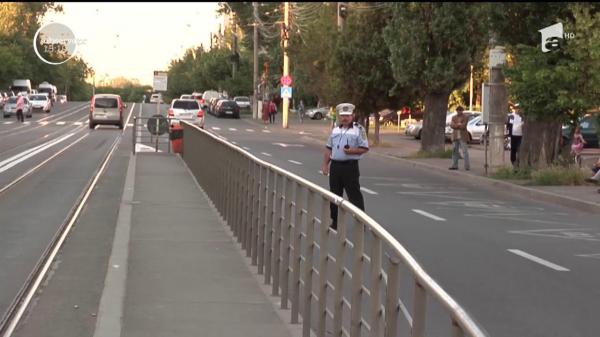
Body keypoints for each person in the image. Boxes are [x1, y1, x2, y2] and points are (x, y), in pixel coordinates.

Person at [322, 103, 369, 229]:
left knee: (354, 196)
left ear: (353, 115)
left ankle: (361, 222)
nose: (345, 118)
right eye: (342, 115)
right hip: (336, 167)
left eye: (347, 115)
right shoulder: (335, 130)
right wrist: (325, 165)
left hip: (350, 167)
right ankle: (335, 221)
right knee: (334, 195)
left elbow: (364, 148)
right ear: (339, 116)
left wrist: (351, 151)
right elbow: (328, 148)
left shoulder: (359, 130)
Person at [449, 106, 470, 171]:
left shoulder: (465, 117)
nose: (459, 112)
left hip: (463, 136)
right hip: (455, 136)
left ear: (462, 111)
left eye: (460, 110)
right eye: (458, 110)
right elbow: (451, 125)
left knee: (465, 151)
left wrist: (457, 125)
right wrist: (458, 125)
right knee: (455, 151)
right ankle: (454, 165)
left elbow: (463, 126)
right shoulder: (454, 117)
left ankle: (467, 166)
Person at [506, 104, 524, 169]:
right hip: (513, 136)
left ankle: (518, 163)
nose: (518, 110)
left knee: (519, 150)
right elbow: (508, 126)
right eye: (516, 108)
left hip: (520, 136)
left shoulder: (522, 116)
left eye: (519, 108)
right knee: (513, 149)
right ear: (514, 109)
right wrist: (508, 135)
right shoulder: (511, 116)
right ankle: (513, 162)